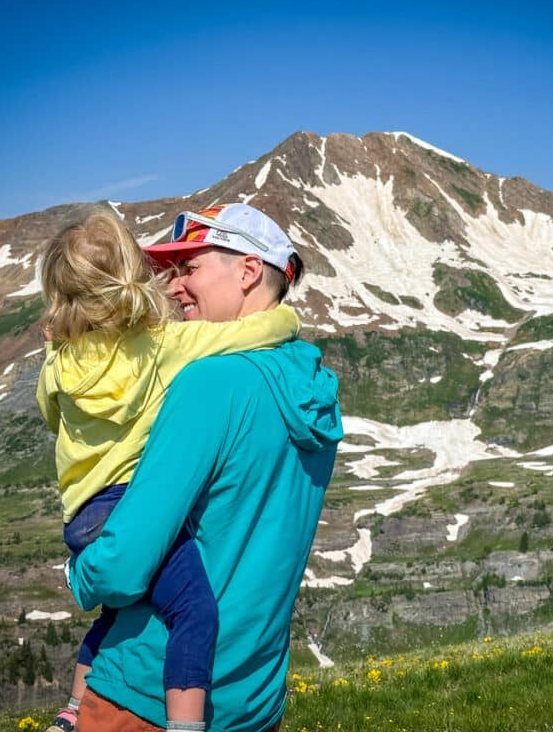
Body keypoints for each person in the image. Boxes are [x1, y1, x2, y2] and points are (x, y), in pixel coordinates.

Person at [67, 203, 342, 732]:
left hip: (143, 696)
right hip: (253, 702)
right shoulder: (318, 393)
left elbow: (123, 567)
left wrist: (80, 576)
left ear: (248, 271)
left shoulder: (208, 384)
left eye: (189, 268)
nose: (172, 288)